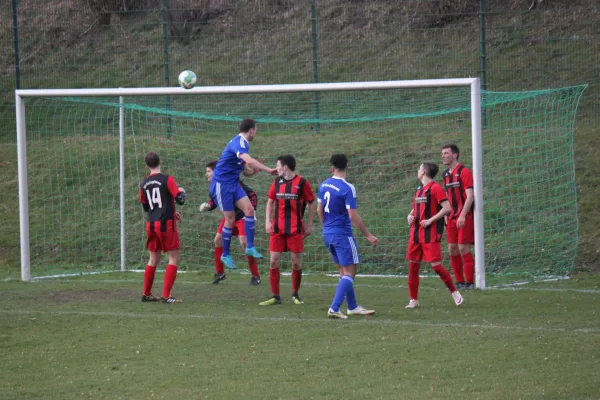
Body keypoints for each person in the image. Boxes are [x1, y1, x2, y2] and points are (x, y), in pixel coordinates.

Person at [209, 118, 277, 270]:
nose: (256, 133)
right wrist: (269, 170)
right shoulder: (239, 142)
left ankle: (250, 247)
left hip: (233, 183)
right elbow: (249, 160)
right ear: (251, 129)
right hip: (221, 185)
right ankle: (225, 254)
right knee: (230, 219)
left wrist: (255, 171)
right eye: (256, 129)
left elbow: (246, 171)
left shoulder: (243, 145)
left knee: (249, 210)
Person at [317, 154, 378, 319]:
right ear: (348, 165)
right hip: (342, 234)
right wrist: (368, 235)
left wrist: (327, 227)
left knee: (343, 272)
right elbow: (353, 216)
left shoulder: (324, 184)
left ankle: (352, 306)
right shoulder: (347, 187)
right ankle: (335, 307)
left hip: (327, 233)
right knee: (350, 271)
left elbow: (319, 210)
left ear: (332, 167)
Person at [259, 155, 316, 306]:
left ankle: (295, 294)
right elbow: (270, 202)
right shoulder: (276, 182)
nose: (275, 168)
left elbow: (312, 203)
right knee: (273, 261)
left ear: (285, 167)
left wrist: (309, 225)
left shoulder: (302, 183)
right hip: (277, 229)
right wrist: (267, 221)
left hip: (295, 229)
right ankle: (275, 296)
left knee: (296, 263)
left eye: (278, 166)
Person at [405, 162, 463, 309]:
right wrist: (410, 216)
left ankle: (454, 292)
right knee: (413, 268)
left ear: (423, 171)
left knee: (436, 267)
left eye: (419, 169)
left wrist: (431, 220)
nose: (417, 171)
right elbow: (415, 208)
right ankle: (413, 299)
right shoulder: (419, 189)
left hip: (430, 234)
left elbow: (447, 208)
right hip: (416, 234)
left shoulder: (436, 188)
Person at [199, 161, 261, 286]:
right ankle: (220, 273)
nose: (207, 174)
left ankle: (256, 276)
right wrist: (208, 205)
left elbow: (252, 194)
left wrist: (251, 211)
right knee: (218, 240)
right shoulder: (214, 186)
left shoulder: (232, 183)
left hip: (242, 216)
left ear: (217, 172)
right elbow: (216, 200)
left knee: (244, 243)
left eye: (209, 171)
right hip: (230, 217)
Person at [139, 152, 186, 304]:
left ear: (147, 166)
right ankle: (166, 296)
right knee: (174, 258)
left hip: (151, 224)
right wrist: (182, 191)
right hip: (166, 224)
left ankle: (146, 294)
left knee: (153, 259)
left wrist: (172, 211)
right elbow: (180, 200)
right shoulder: (167, 179)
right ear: (160, 162)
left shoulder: (143, 183)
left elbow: (147, 207)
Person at [441, 144, 475, 290]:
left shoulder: (464, 171)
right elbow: (447, 197)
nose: (443, 156)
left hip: (464, 216)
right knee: (452, 249)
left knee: (463, 248)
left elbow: (470, 196)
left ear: (455, 155)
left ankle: (470, 282)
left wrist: (462, 215)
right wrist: (446, 214)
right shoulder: (446, 174)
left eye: (446, 153)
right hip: (451, 217)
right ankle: (459, 282)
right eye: (442, 153)